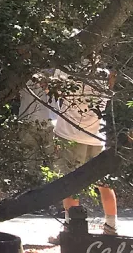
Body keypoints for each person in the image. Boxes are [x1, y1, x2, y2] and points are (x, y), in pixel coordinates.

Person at [19, 69, 118, 238]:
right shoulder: (105, 73)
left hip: (70, 134)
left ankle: (71, 228)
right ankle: (111, 226)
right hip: (96, 136)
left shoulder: (65, 71)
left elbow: (51, 92)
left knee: (70, 184)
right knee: (104, 184)